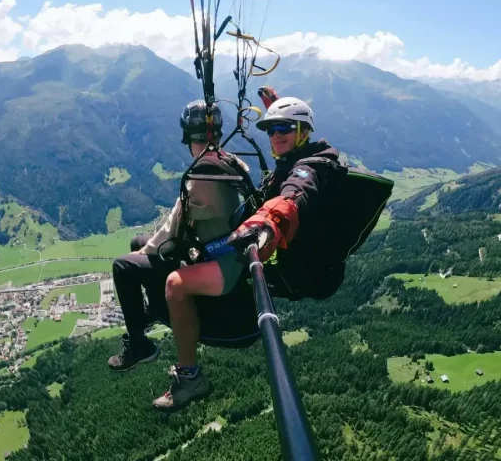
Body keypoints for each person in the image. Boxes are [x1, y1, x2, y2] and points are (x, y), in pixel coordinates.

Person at [107, 99, 251, 412]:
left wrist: (145, 254)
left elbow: (170, 231)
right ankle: (147, 313)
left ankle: (143, 348)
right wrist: (145, 249)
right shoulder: (228, 162)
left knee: (124, 265)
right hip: (228, 251)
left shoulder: (200, 175)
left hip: (222, 265)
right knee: (136, 242)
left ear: (188, 137)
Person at [227, 96, 345, 301]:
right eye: (271, 130)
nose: (276, 135)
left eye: (284, 128)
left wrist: (270, 219)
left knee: (225, 274)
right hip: (302, 263)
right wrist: (277, 109)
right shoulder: (296, 155)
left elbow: (297, 189)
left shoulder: (311, 167)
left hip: (301, 275)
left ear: (305, 132)